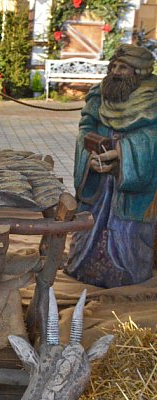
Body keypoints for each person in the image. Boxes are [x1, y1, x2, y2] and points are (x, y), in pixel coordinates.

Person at [66, 44, 157, 288]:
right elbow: (86, 127)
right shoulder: (100, 94)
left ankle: (125, 273)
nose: (115, 72)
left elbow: (153, 137)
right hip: (97, 181)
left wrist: (122, 154)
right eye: (113, 66)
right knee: (89, 224)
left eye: (123, 67)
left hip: (131, 186)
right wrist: (89, 156)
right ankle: (83, 266)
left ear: (139, 72)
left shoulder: (153, 99)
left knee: (126, 232)